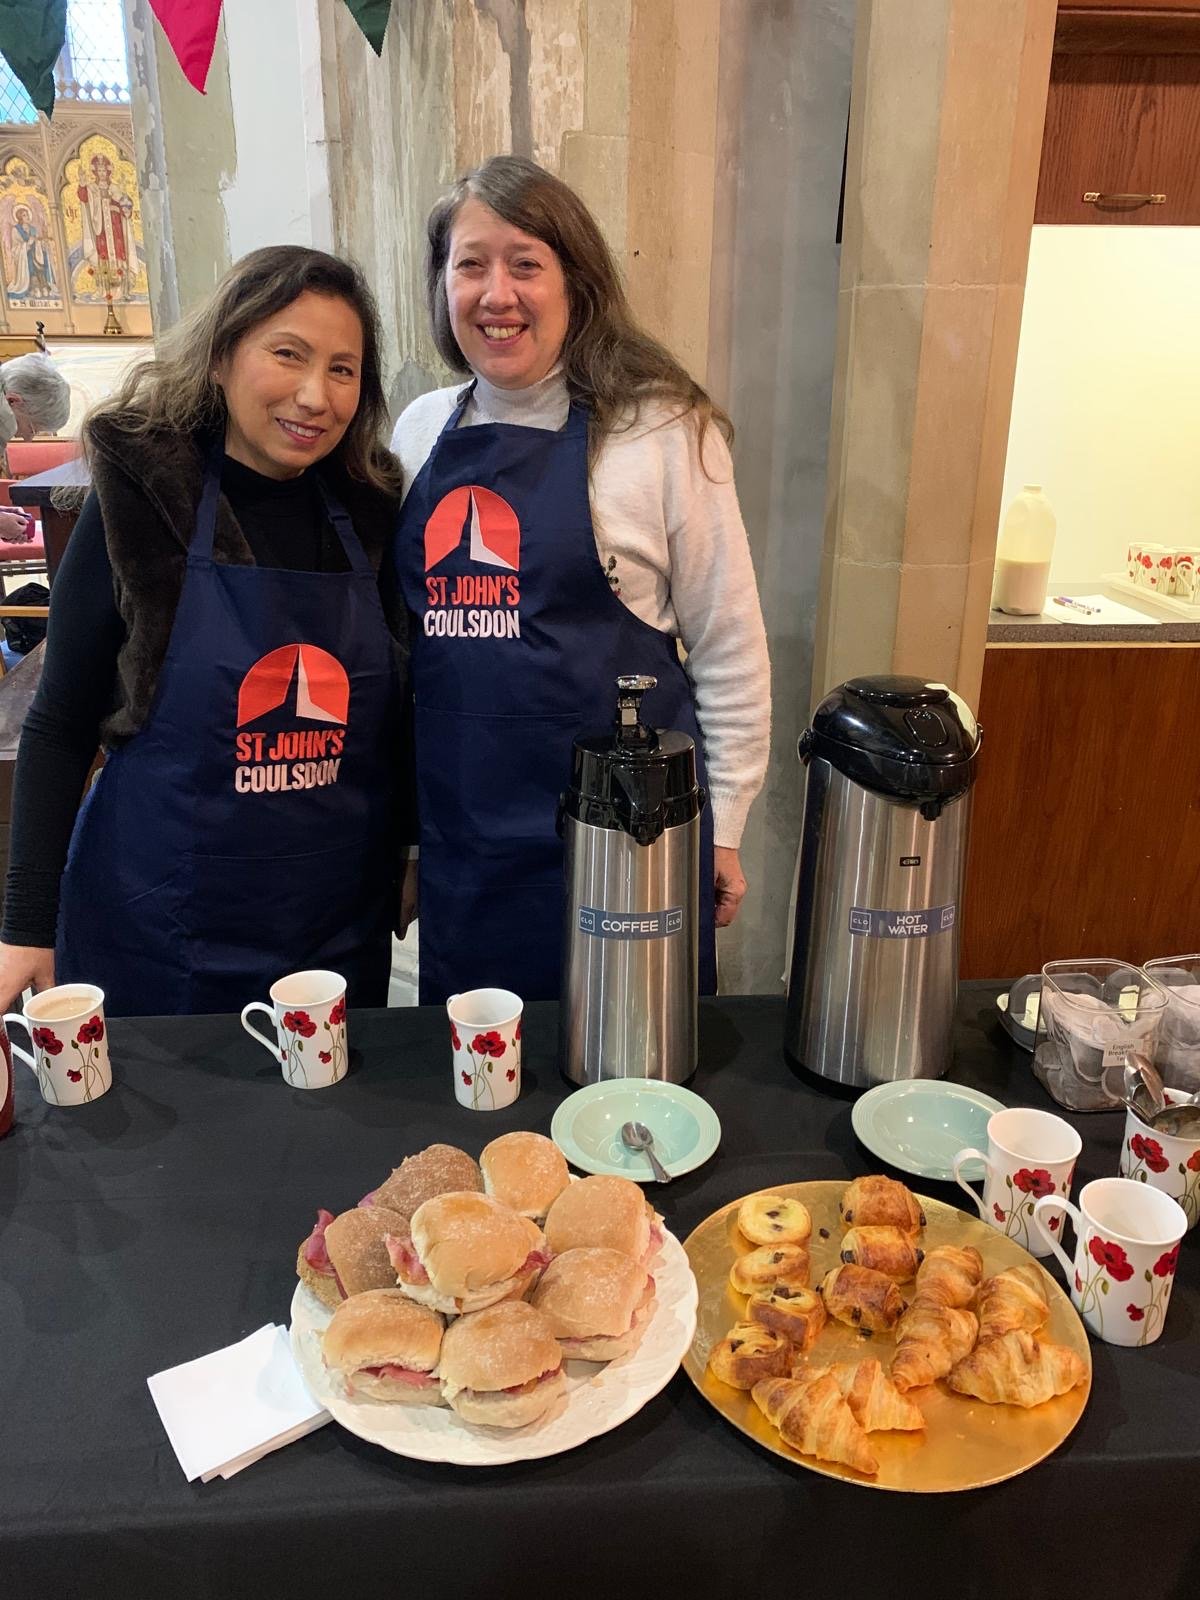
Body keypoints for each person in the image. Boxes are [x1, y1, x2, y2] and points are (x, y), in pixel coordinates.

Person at [391, 155, 770, 1006]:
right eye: (470, 265)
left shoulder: (664, 430)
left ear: (576, 282)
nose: (497, 294)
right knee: (481, 1097)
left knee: (632, 1086)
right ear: (442, 287)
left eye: (525, 264)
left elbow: (730, 645)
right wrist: (409, 841)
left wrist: (727, 824)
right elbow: (403, 661)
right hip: (469, 849)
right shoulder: (418, 432)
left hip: (633, 847)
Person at [0, 246, 406, 1016]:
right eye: (287, 355)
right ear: (221, 357)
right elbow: (57, 724)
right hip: (160, 925)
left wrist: (411, 853)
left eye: (344, 369)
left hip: (331, 931)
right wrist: (24, 925)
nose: (315, 396)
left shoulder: (373, 504)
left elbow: (400, 718)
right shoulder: (146, 491)